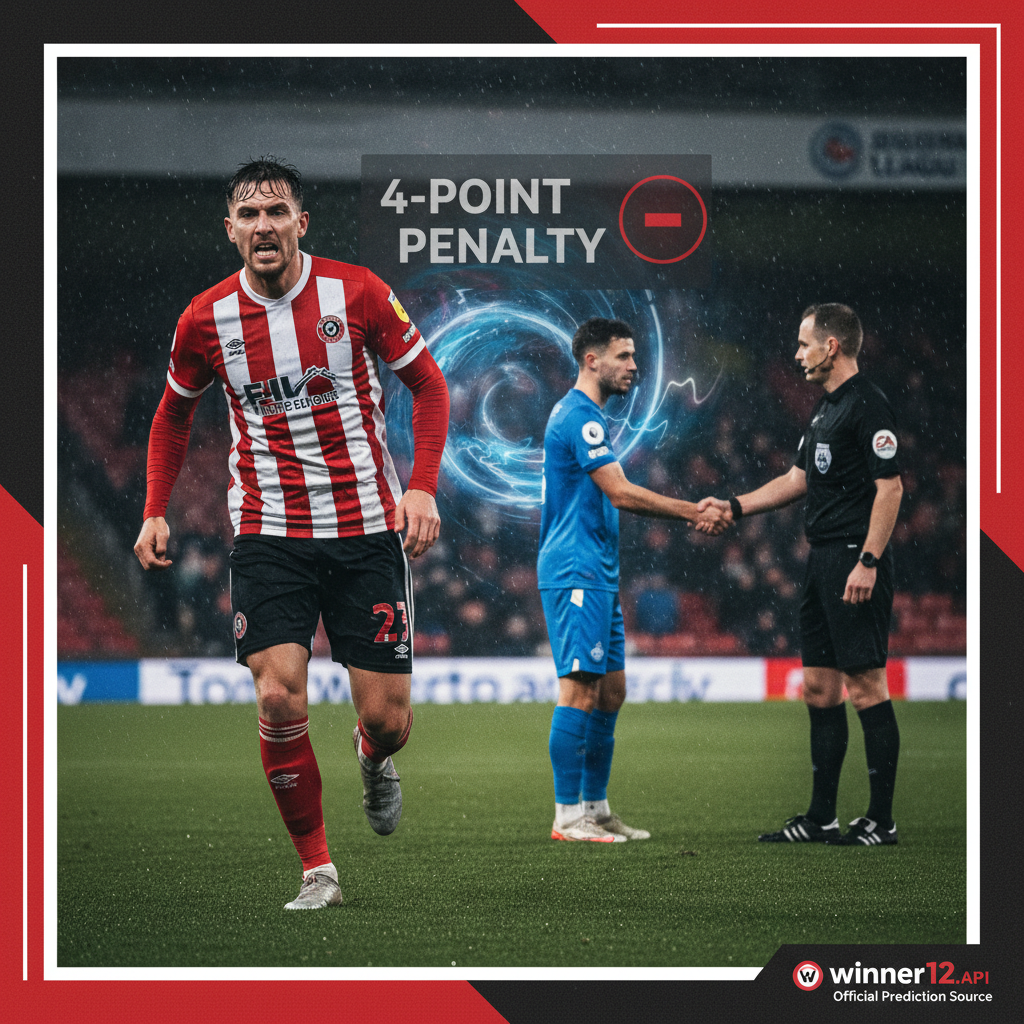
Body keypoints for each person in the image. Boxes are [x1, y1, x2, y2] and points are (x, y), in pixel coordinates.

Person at [133, 157, 449, 908]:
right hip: (269, 531)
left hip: (368, 530)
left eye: (277, 211)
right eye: (249, 214)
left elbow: (429, 385)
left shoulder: (359, 291)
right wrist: (155, 505)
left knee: (390, 720)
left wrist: (422, 487)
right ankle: (318, 870)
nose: (264, 225)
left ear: (301, 223)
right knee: (277, 697)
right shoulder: (204, 319)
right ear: (231, 230)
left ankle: (373, 758)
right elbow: (174, 412)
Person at [699, 302, 904, 846]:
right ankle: (821, 818)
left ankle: (881, 820)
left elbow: (891, 487)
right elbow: (797, 479)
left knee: (865, 686)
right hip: (821, 560)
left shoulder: (867, 406)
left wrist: (868, 559)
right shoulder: (823, 412)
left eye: (803, 342)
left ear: (831, 346)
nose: (797, 353)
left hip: (852, 560)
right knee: (818, 687)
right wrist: (735, 506)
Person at [537, 318, 729, 843]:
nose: (634, 365)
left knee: (611, 691)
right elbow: (620, 493)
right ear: (591, 360)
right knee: (578, 691)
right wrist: (692, 511)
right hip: (575, 570)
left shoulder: (589, 417)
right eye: (623, 355)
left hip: (596, 571)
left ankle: (595, 808)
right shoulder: (580, 418)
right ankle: (566, 815)